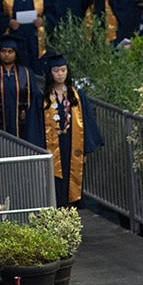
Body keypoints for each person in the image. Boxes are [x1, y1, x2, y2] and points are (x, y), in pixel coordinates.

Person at [38, 53, 104, 205]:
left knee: (73, 173)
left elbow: (86, 121)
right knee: (55, 176)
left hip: (72, 141)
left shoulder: (77, 95)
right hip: (52, 144)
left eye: (63, 70)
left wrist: (86, 148)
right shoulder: (43, 96)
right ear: (50, 73)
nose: (60, 74)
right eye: (56, 70)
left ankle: (73, 205)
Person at [0, 36, 42, 141]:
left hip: (22, 127)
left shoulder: (26, 73)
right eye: (3, 51)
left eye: (10, 51)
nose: (6, 54)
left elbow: (34, 101)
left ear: (16, 54)